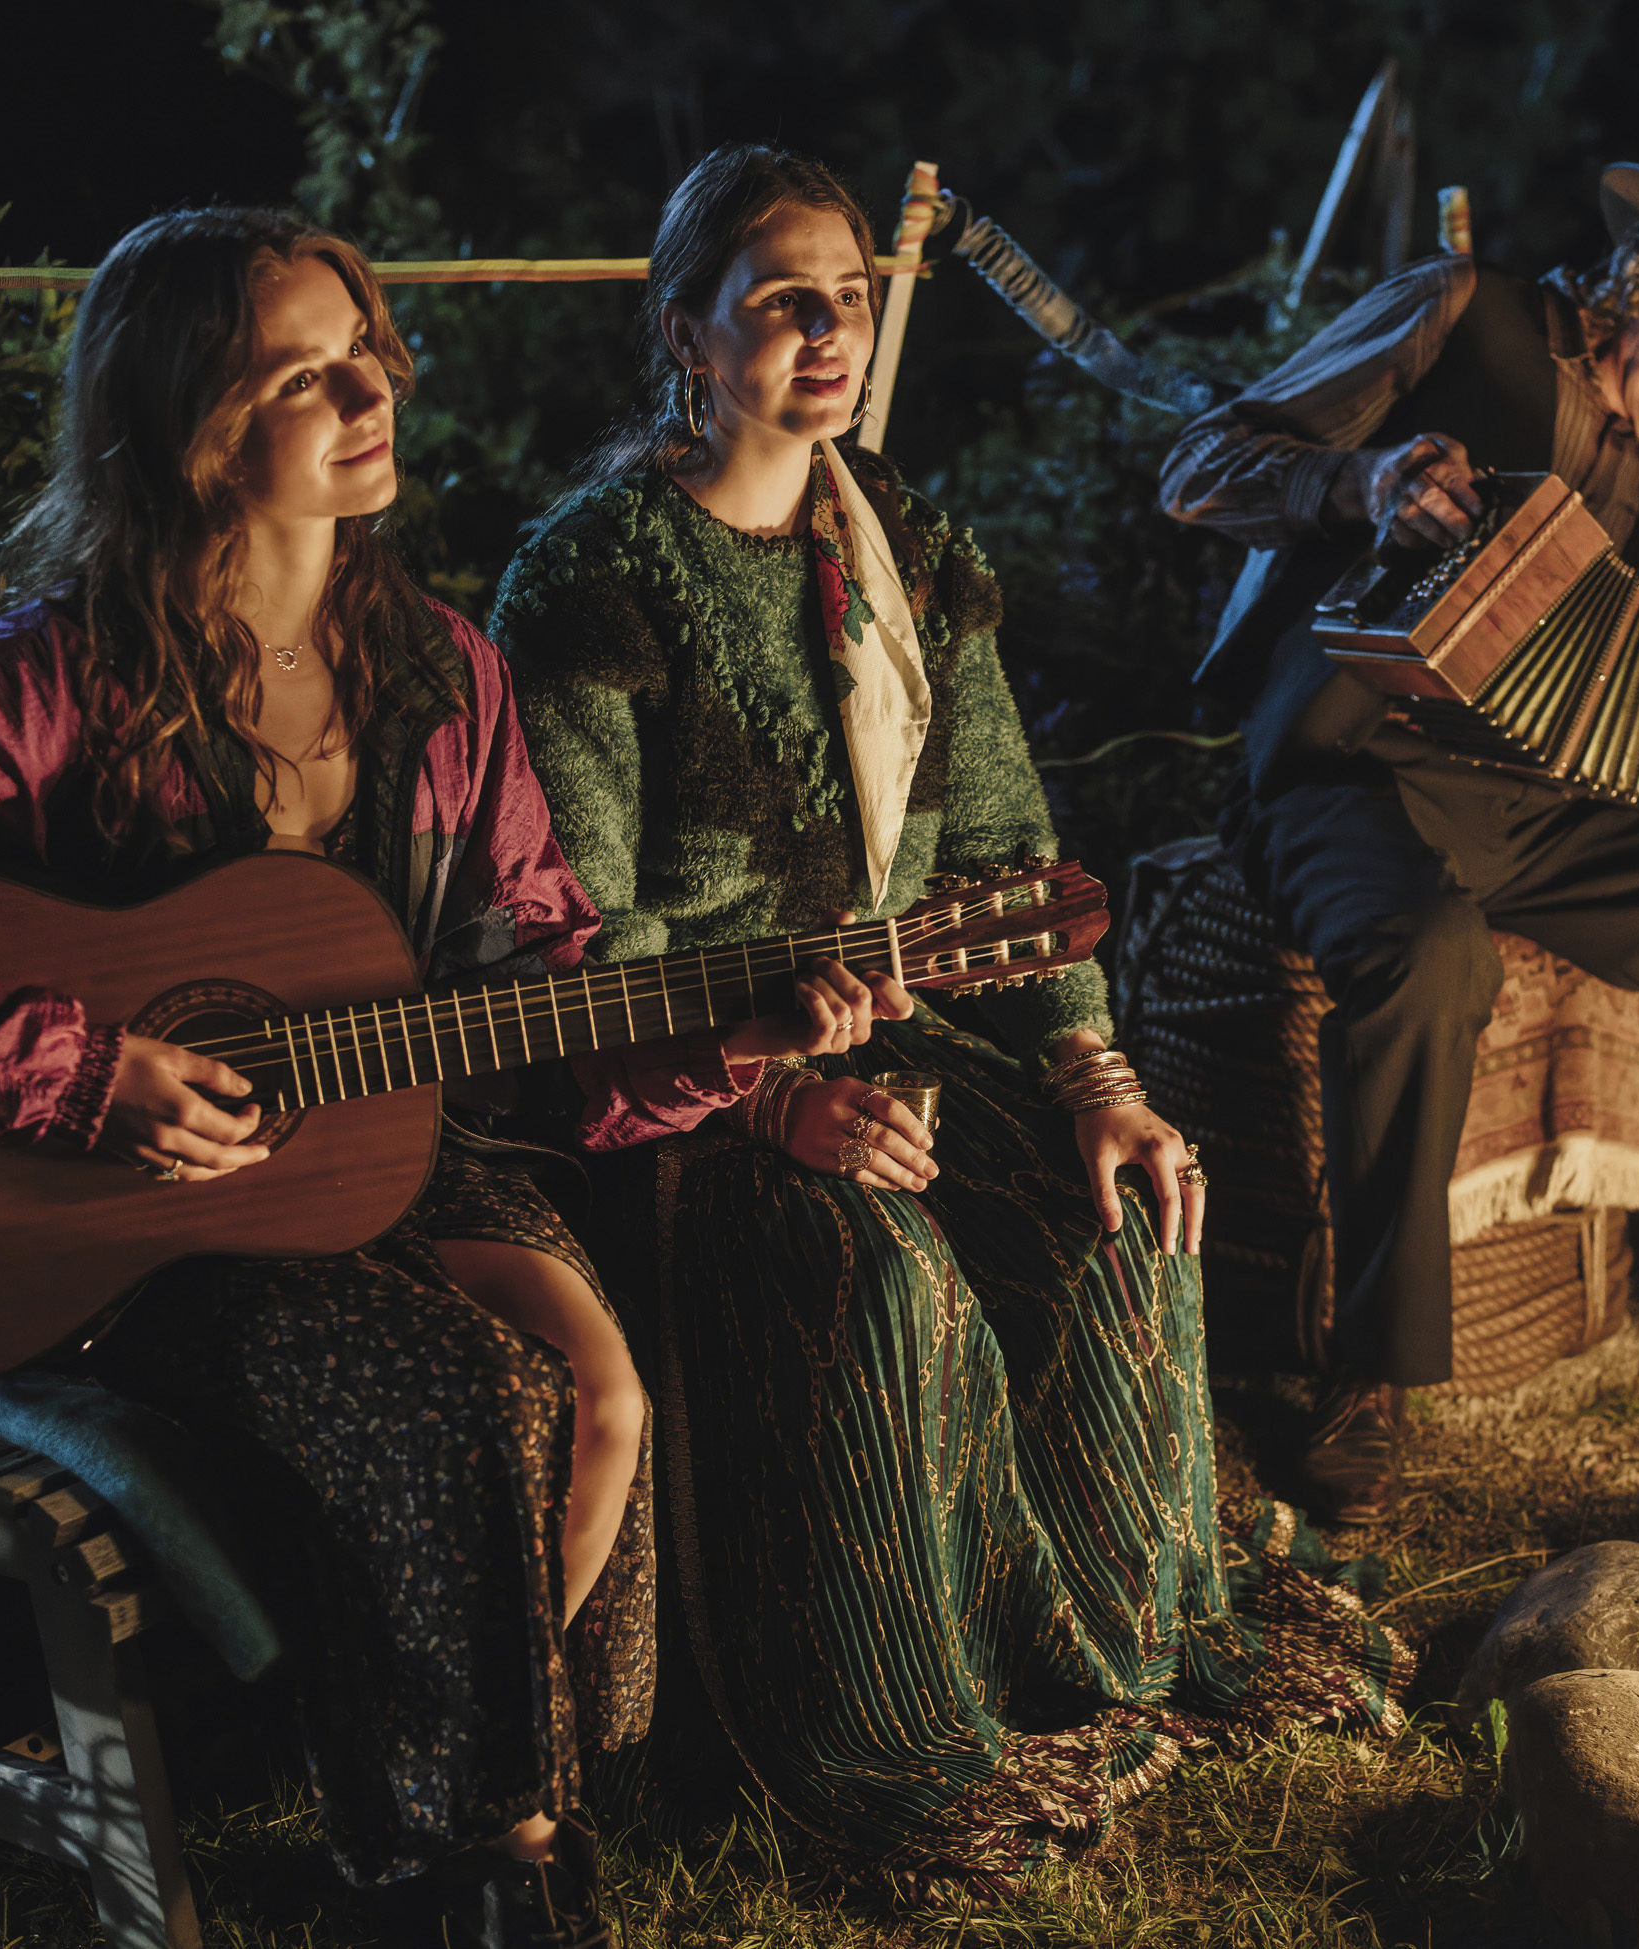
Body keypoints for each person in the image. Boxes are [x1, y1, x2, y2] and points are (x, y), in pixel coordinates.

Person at [0, 207, 882, 1949]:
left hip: (384, 1135)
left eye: (365, 348)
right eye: (303, 371)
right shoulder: (63, 677)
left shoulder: (446, 674)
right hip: (114, 1206)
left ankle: (440, 1794)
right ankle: (458, 1866)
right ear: (185, 425)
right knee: (467, 1390)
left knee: (598, 1384)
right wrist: (81, 1071)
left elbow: (525, 992)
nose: (367, 390)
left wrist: (725, 1041)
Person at [487, 145, 1407, 1885]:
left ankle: (1095, 1655)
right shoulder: (591, 580)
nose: (827, 327)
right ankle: (893, 1729)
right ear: (687, 332)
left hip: (894, 1035)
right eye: (779, 297)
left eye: (847, 291)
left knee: (1118, 1216)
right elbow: (580, 942)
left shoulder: (901, 542)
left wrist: (1094, 1073)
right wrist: (767, 1100)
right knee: (882, 1279)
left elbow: (1000, 845)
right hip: (676, 1085)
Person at [1158, 165, 1639, 1521]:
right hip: (1350, 768)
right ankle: (1369, 1371)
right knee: (1424, 946)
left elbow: (1607, 696)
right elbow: (1196, 466)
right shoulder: (1463, 313)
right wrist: (1361, 483)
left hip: (1540, 808)